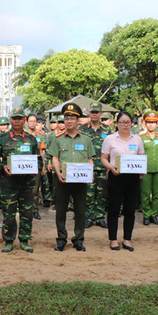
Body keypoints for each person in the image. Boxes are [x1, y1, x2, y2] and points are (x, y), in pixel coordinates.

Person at [0, 107, 42, 253]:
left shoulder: (31, 139)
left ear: (24, 120)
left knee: (27, 213)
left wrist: (36, 169)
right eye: (14, 118)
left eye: (20, 118)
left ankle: (24, 240)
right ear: (10, 120)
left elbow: (38, 159)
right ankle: (8, 240)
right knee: (9, 213)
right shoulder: (2, 139)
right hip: (9, 183)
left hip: (27, 184)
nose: (17, 121)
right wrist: (2, 166)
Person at [49, 102, 95, 252]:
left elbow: (90, 159)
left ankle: (78, 240)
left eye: (72, 118)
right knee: (61, 211)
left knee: (80, 212)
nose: (68, 121)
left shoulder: (86, 139)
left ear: (78, 121)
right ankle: (61, 239)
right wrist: (58, 173)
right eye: (66, 118)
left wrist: (90, 173)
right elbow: (55, 158)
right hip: (62, 180)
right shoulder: (57, 138)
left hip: (80, 181)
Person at [100, 111, 145, 251]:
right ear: (116, 124)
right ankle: (113, 239)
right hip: (116, 176)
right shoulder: (110, 139)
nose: (125, 125)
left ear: (132, 123)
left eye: (128, 122)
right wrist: (111, 167)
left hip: (132, 178)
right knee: (114, 208)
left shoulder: (137, 139)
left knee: (130, 209)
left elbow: (141, 157)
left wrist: (142, 169)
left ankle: (127, 239)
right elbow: (103, 158)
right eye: (122, 122)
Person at [79, 101, 111, 229]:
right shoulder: (82, 129)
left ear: (101, 113)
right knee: (88, 193)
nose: (94, 114)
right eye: (92, 112)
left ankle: (100, 217)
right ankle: (88, 217)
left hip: (103, 166)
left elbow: (111, 148)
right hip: (88, 166)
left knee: (102, 193)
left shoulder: (107, 129)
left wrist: (110, 166)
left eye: (96, 112)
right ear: (89, 113)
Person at [140, 111, 158, 226]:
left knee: (157, 193)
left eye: (153, 123)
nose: (151, 125)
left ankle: (154, 215)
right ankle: (146, 215)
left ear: (157, 124)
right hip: (145, 169)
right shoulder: (140, 137)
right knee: (145, 193)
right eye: (149, 122)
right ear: (145, 123)